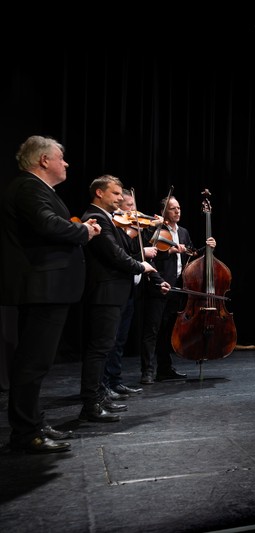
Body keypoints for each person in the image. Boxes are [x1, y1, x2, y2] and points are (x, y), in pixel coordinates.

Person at [0, 136, 101, 453]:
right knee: (33, 363)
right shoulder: (29, 187)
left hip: (47, 289)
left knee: (38, 362)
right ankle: (25, 433)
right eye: (61, 157)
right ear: (44, 160)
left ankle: (33, 423)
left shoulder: (36, 189)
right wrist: (84, 231)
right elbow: (48, 225)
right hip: (42, 288)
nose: (66, 163)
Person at [79, 175, 166, 423]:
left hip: (114, 292)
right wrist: (141, 266)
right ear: (99, 193)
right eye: (116, 193)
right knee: (99, 349)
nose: (120, 198)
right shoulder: (95, 217)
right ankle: (91, 404)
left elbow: (124, 250)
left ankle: (100, 396)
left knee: (105, 347)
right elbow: (115, 255)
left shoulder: (107, 218)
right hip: (105, 293)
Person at [140, 195, 212, 384]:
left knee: (168, 331)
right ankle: (147, 371)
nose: (177, 211)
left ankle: (165, 369)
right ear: (164, 212)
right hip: (159, 285)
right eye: (173, 208)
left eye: (178, 208)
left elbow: (191, 253)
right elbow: (148, 256)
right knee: (152, 331)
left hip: (178, 287)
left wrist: (207, 247)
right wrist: (170, 251)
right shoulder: (156, 230)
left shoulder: (183, 232)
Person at [102, 189, 159, 396]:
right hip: (114, 290)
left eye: (134, 206)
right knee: (110, 341)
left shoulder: (134, 230)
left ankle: (115, 381)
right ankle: (104, 385)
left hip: (130, 290)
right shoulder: (116, 228)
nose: (134, 212)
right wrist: (142, 251)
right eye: (129, 206)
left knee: (120, 341)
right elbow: (121, 256)